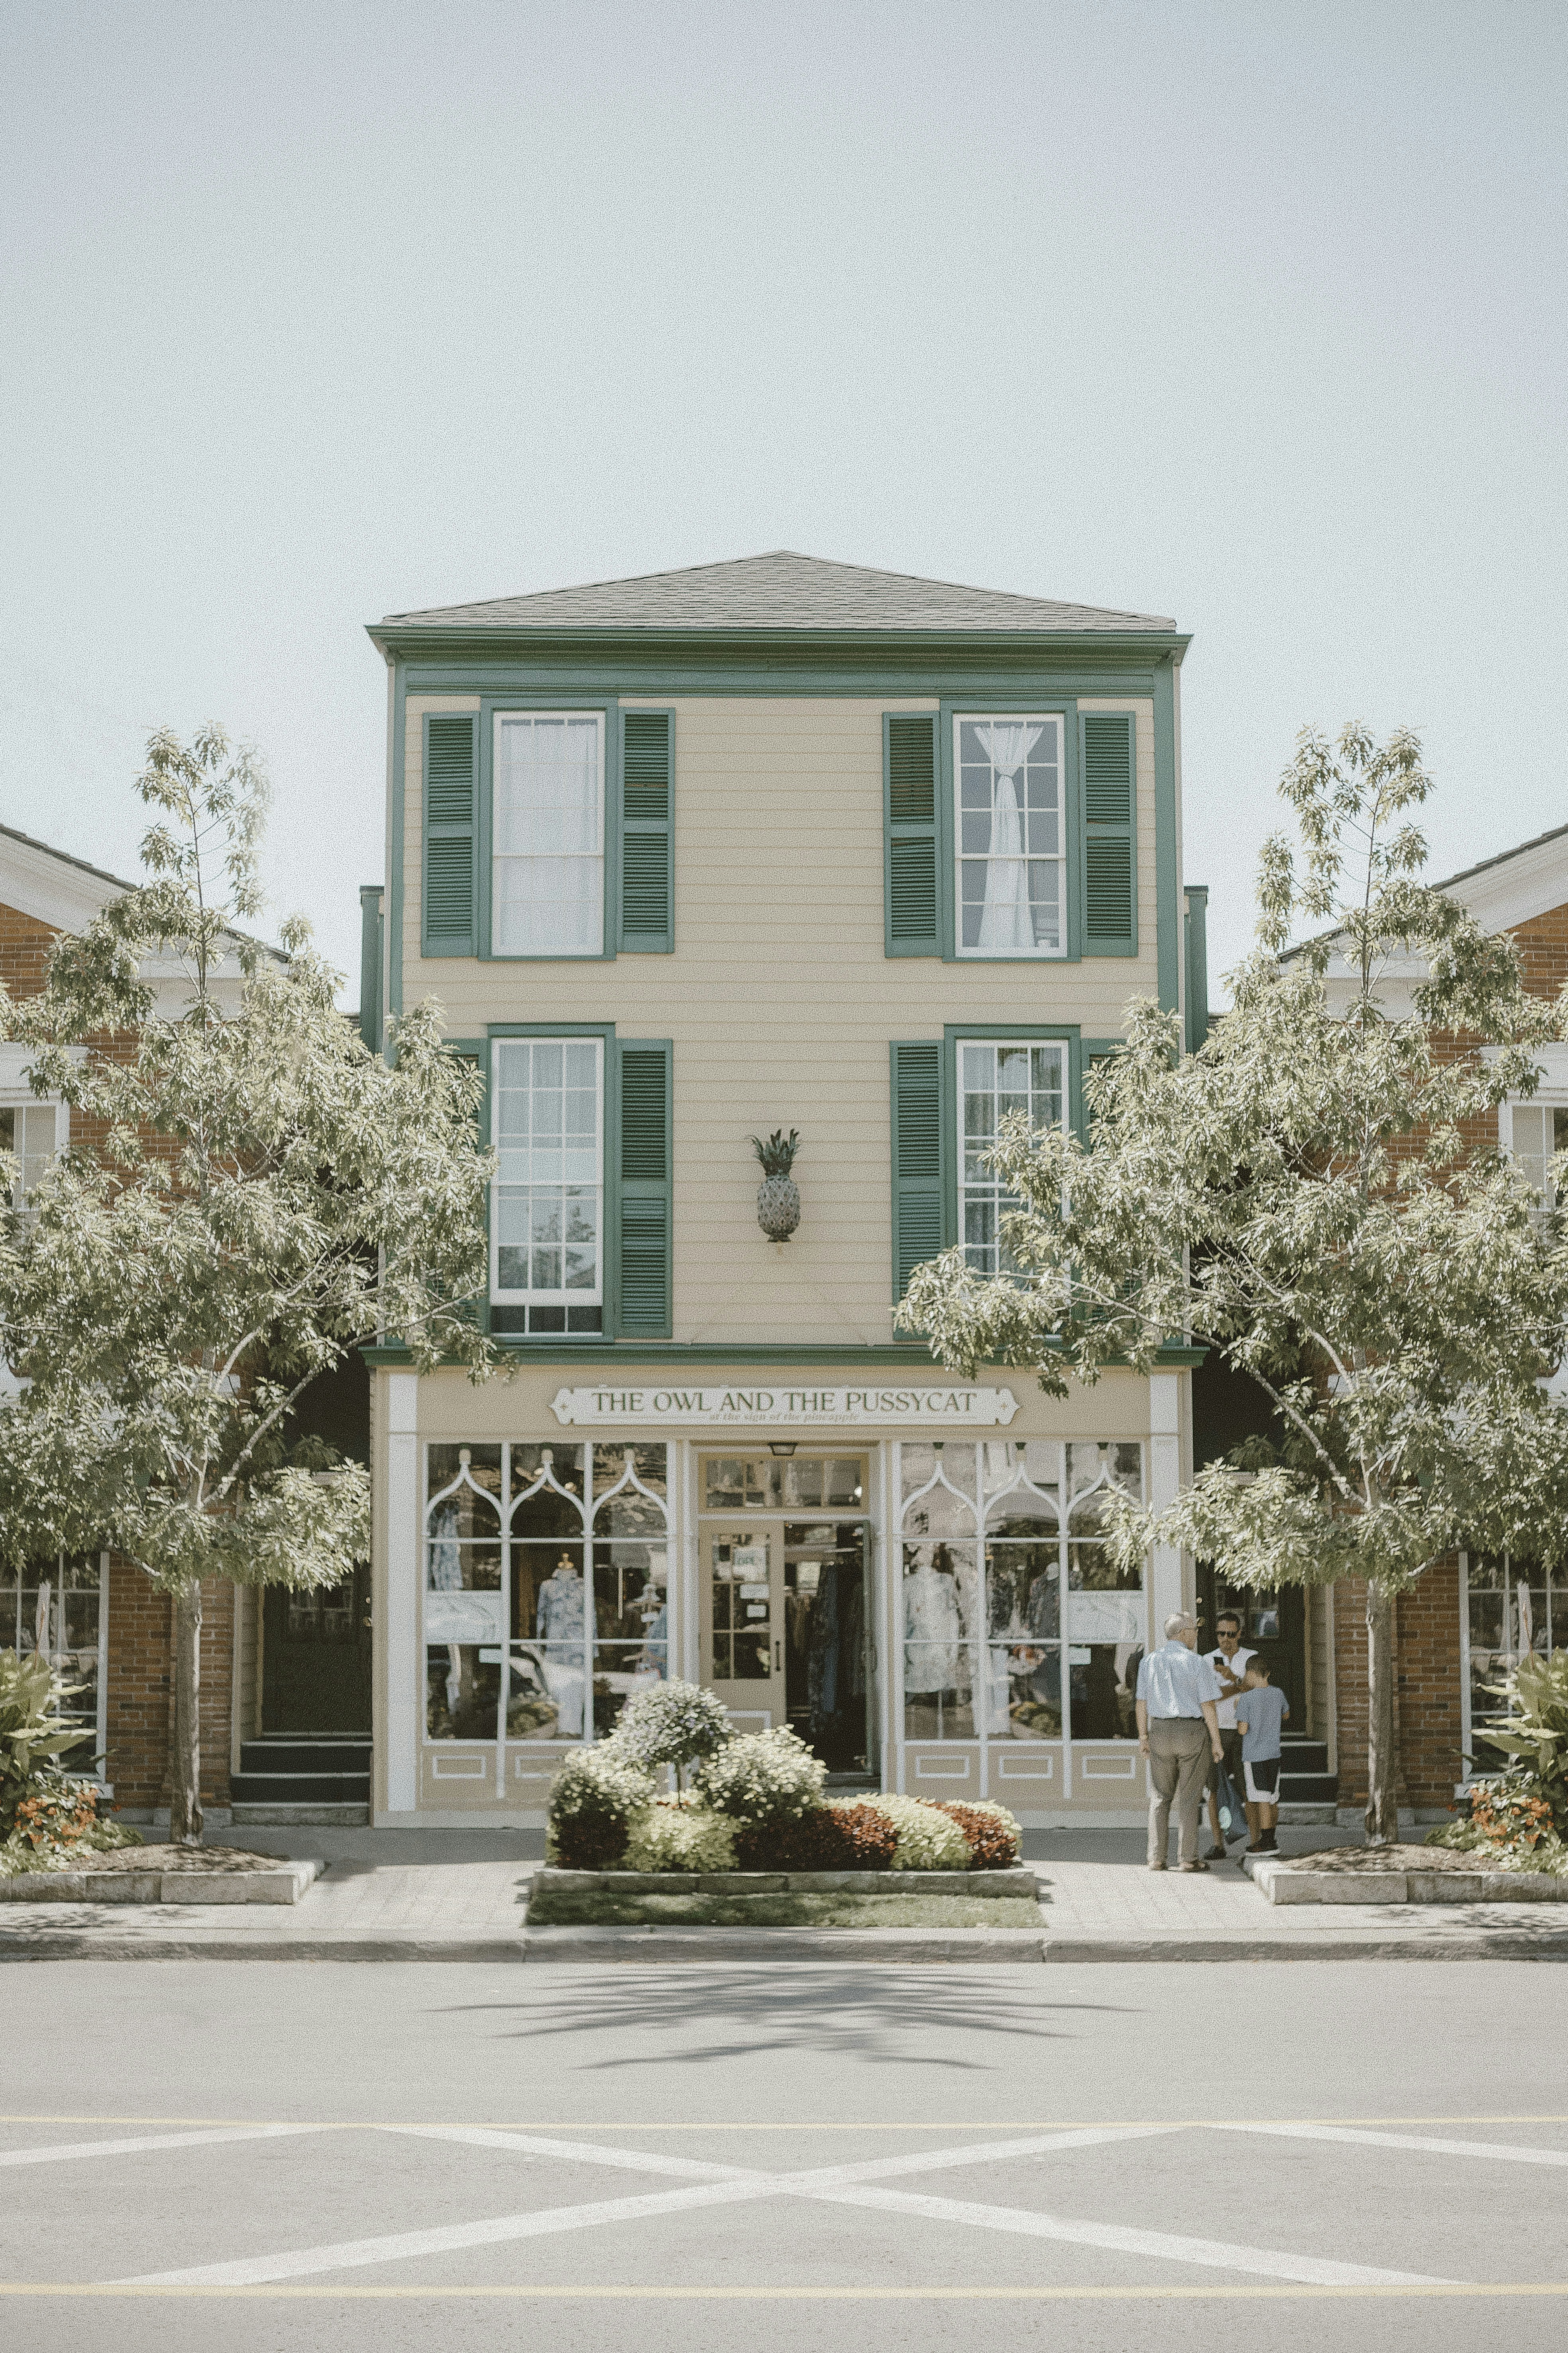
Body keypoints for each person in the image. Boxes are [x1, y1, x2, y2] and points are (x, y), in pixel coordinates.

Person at [1136, 1611, 1224, 1871]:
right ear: (1183, 1633)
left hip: (1160, 1730)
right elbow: (1208, 1706)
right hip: (1192, 1732)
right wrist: (1217, 1742)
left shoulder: (1149, 1662)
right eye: (1194, 1630)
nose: (1197, 1634)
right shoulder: (1197, 1663)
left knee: (1160, 1796)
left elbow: (1141, 1702)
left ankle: (1156, 1858)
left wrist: (1143, 1736)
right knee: (1188, 1797)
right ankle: (1187, 1858)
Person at [1204, 1609, 1256, 1858]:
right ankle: (1218, 1844)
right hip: (1217, 1731)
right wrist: (1239, 1686)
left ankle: (1256, 1840)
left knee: (1249, 1787)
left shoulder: (1251, 1658)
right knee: (1215, 1789)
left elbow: (1258, 1691)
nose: (1225, 1639)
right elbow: (1208, 1698)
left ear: (1240, 1634)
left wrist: (1231, 1680)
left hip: (1245, 1730)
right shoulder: (1206, 1660)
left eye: (1231, 1634)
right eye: (1220, 1633)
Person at [1234, 1656, 1290, 1853]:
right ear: (1268, 1674)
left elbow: (1242, 1730)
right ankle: (1272, 1838)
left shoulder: (1246, 1700)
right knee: (1273, 1797)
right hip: (1274, 1754)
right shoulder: (1278, 1693)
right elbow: (1286, 1715)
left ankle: (1267, 1842)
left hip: (1254, 1756)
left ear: (1250, 1674)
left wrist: (1239, 1713)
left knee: (1262, 1798)